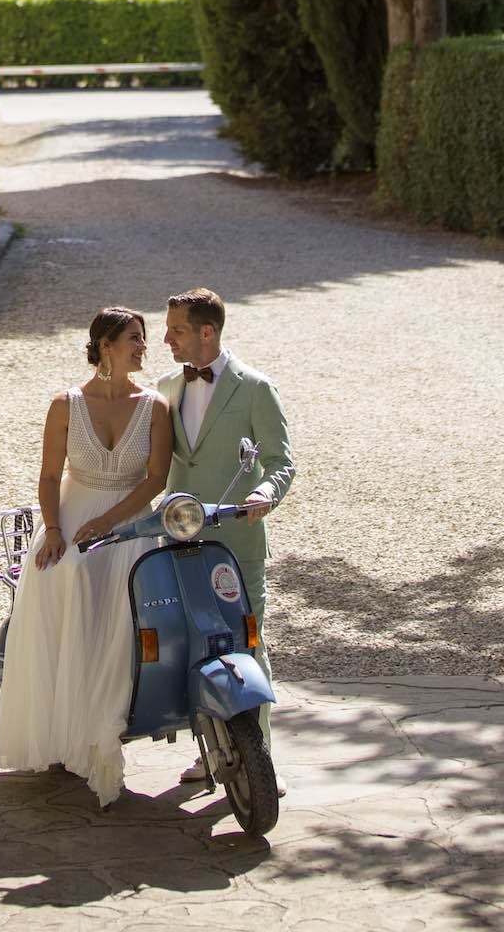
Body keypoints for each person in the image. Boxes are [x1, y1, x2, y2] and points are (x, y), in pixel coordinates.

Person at [0, 306, 173, 806]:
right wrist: (53, 530)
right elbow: (50, 476)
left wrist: (113, 520)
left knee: (120, 620)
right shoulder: (65, 405)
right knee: (60, 583)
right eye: (135, 338)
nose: (143, 347)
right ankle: (59, 730)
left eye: (143, 338)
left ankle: (102, 730)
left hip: (131, 523)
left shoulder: (156, 405)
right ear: (107, 345)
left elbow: (157, 478)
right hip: (71, 519)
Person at [157, 288, 295, 786]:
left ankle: (260, 764)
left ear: (206, 331)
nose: (167, 338)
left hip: (237, 539)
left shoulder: (256, 388)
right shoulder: (167, 386)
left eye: (176, 330)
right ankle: (210, 752)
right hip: (178, 538)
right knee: (192, 644)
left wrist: (263, 494)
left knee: (246, 643)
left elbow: (281, 463)